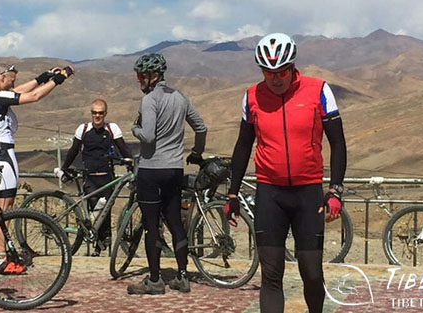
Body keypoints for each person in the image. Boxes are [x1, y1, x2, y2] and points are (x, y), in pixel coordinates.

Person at [224, 33, 347, 313]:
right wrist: (232, 194)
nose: (275, 78)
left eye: (281, 72)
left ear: (292, 67)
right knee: (270, 275)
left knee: (312, 273)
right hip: (271, 193)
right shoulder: (252, 96)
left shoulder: (319, 90)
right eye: (268, 72)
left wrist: (335, 191)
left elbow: (338, 143)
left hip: (307, 194)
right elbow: (243, 146)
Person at [0, 63, 74, 274]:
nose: (14, 84)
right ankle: (2, 259)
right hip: (3, 155)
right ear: (2, 77)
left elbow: (17, 92)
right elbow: (34, 96)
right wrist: (59, 79)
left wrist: (43, 77)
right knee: (4, 208)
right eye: (11, 79)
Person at [127, 53, 207, 295]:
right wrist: (197, 152)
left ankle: (154, 280)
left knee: (152, 226)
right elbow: (201, 127)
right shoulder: (180, 97)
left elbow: (148, 135)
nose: (139, 80)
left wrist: (135, 129)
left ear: (153, 76)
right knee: (174, 221)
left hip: (151, 170)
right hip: (174, 169)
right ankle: (183, 277)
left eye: (141, 75)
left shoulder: (150, 100)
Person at [55, 98, 133, 256]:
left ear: (105, 114)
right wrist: (64, 168)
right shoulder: (83, 129)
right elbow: (73, 150)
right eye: (94, 113)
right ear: (91, 113)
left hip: (107, 177)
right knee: (93, 212)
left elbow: (123, 149)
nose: (97, 116)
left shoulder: (112, 129)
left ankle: (101, 245)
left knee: (105, 211)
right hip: (89, 177)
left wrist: (132, 167)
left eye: (100, 113)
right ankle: (96, 244)